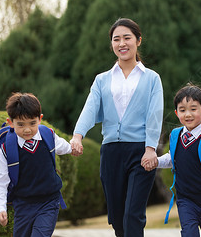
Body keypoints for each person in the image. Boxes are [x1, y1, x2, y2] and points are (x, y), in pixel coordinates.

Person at [70, 18, 164, 237]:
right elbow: (90, 108)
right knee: (117, 216)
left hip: (141, 152)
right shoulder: (102, 79)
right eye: (116, 39)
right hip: (111, 152)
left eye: (127, 38)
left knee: (133, 214)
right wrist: (77, 136)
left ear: (138, 41)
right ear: (112, 44)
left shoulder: (152, 78)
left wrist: (151, 148)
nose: (122, 43)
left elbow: (155, 114)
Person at [0, 92, 72, 236]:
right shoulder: (7, 148)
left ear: (40, 119)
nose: (27, 129)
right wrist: (0, 209)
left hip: (49, 202)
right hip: (23, 205)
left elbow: (63, 146)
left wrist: (74, 148)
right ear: (11, 123)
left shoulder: (48, 136)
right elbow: (0, 181)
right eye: (20, 125)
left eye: (32, 123)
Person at [157, 83, 201, 237]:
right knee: (189, 233)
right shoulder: (175, 135)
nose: (187, 114)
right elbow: (172, 157)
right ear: (176, 113)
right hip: (185, 200)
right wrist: (156, 162)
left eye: (193, 109)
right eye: (182, 110)